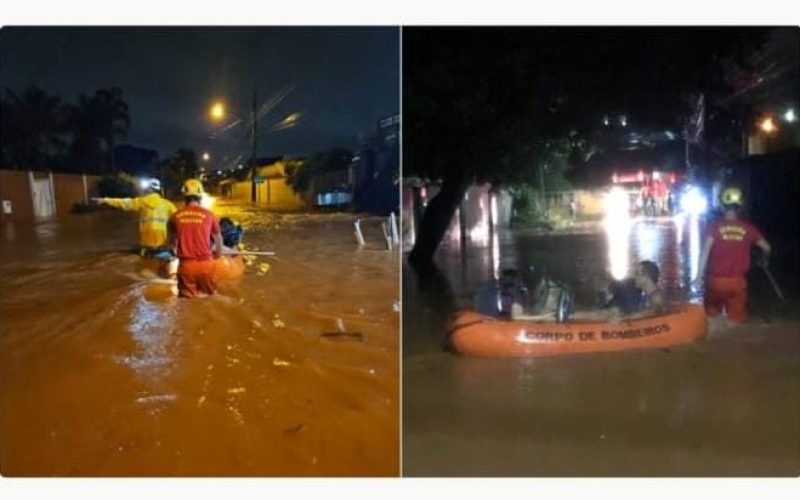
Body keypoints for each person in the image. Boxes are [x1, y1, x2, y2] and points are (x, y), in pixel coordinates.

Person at [694, 187, 771, 324]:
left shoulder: (714, 227)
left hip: (715, 282)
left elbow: (705, 250)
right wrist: (764, 260)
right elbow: (767, 247)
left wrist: (698, 277)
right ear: (740, 207)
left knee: (712, 320)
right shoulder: (749, 229)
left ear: (722, 206)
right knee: (736, 322)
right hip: (737, 283)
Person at [92, 178, 177, 257]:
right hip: (161, 244)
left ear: (148, 190)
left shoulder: (141, 201)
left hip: (146, 244)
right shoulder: (168, 205)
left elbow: (123, 203)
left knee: (145, 260)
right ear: (159, 190)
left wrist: (105, 200)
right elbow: (179, 220)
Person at [168, 179, 223, 298]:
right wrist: (217, 255)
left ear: (184, 197)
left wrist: (175, 252)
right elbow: (218, 240)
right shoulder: (210, 215)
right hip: (206, 264)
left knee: (187, 306)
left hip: (186, 266)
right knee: (211, 300)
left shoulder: (175, 216)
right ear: (200, 197)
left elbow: (172, 244)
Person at [568, 261, 665, 322]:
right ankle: (570, 315)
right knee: (613, 310)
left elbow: (653, 311)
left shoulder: (656, 296)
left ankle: (569, 315)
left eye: (637, 274)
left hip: (644, 325)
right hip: (632, 314)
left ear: (646, 277)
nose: (634, 277)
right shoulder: (645, 294)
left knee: (612, 312)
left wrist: (623, 319)